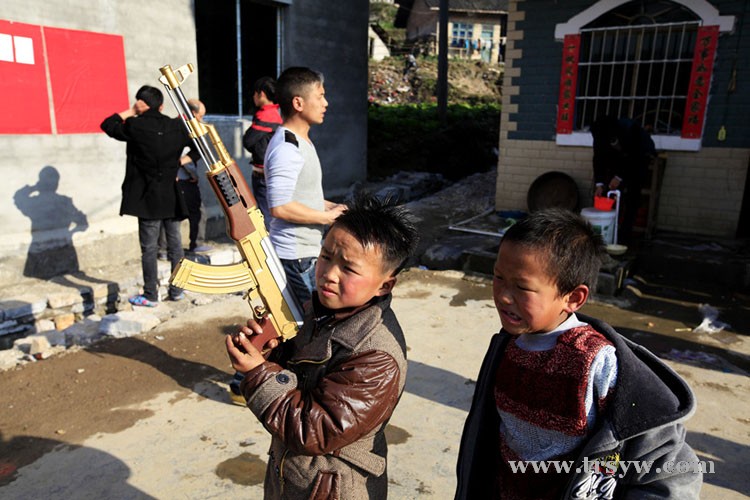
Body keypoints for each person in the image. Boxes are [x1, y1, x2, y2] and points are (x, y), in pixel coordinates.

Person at [455, 208, 702, 499]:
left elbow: (670, 470)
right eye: (498, 277)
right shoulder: (507, 344)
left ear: (573, 298)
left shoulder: (598, 364)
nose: (503, 296)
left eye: (522, 287)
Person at [225, 194, 419, 499]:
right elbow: (301, 374)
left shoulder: (377, 356)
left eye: (349, 269)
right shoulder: (320, 311)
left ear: (385, 285)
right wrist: (268, 352)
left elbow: (313, 430)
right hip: (294, 477)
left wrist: (259, 374)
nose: (329, 274)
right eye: (326, 257)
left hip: (332, 488)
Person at [101, 85, 193, 306]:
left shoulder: (134, 125)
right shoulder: (176, 126)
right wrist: (180, 162)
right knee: (175, 246)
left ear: (141, 104)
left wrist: (132, 111)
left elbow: (108, 124)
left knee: (150, 249)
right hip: (171, 194)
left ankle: (151, 294)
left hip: (146, 197)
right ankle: (177, 290)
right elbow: (200, 146)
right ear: (161, 106)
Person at [264, 66, 346, 306]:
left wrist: (331, 207)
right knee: (313, 322)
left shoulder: (302, 142)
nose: (325, 103)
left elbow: (301, 196)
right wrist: (326, 218)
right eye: (320, 96)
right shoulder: (287, 148)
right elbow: (280, 207)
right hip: (295, 257)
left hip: (305, 253)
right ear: (298, 103)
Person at [591, 115, 656, 246]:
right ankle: (610, 231)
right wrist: (599, 184)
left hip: (640, 157)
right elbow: (598, 159)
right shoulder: (600, 136)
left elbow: (634, 156)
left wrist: (619, 177)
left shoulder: (630, 130)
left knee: (632, 196)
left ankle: (625, 236)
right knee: (610, 192)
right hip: (620, 158)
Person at [242, 77, 282, 228]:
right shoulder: (275, 113)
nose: (253, 96)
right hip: (268, 171)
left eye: (255, 93)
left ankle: (268, 242)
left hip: (263, 174)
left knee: (266, 215)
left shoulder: (266, 115)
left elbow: (248, 141)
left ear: (262, 94)